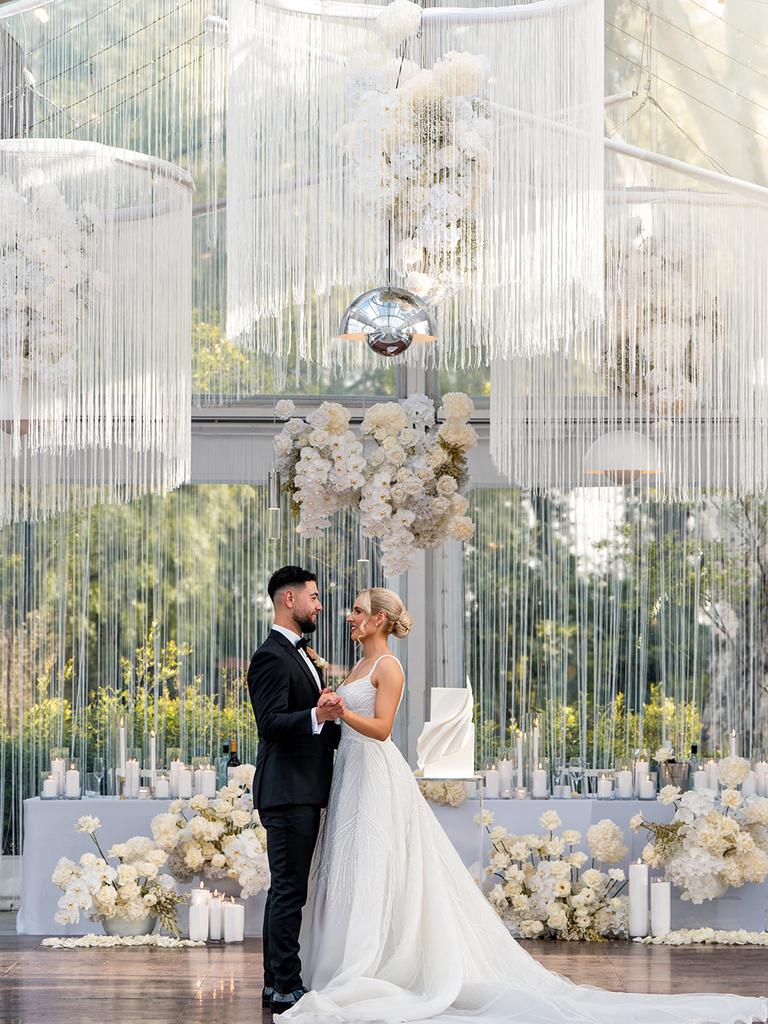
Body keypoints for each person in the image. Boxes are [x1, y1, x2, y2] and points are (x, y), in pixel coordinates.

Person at [283, 587, 768, 1024]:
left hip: (375, 772)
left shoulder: (388, 666)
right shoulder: (360, 666)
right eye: (351, 610)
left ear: (381, 621)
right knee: (350, 866)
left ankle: (368, 965)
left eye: (358, 611)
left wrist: (342, 711)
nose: (349, 617)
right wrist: (334, 700)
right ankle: (347, 961)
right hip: (350, 771)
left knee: (374, 862)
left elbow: (385, 729)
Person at [247, 565, 345, 1015]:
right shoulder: (270, 655)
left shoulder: (300, 653)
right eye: (315, 596)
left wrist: (325, 714)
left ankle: (276, 985)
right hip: (287, 789)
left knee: (288, 890)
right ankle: (287, 985)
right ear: (290, 600)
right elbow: (269, 725)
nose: (319, 605)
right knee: (289, 891)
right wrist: (318, 718)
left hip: (302, 788)